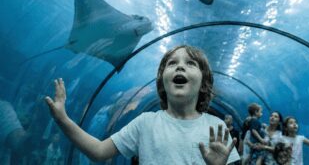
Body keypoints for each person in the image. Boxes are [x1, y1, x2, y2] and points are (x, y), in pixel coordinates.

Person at [45, 45, 240, 164]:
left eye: (191, 63)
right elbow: (99, 152)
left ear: (204, 82)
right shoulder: (146, 123)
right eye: (172, 63)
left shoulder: (216, 127)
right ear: (162, 81)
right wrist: (63, 119)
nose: (180, 65)